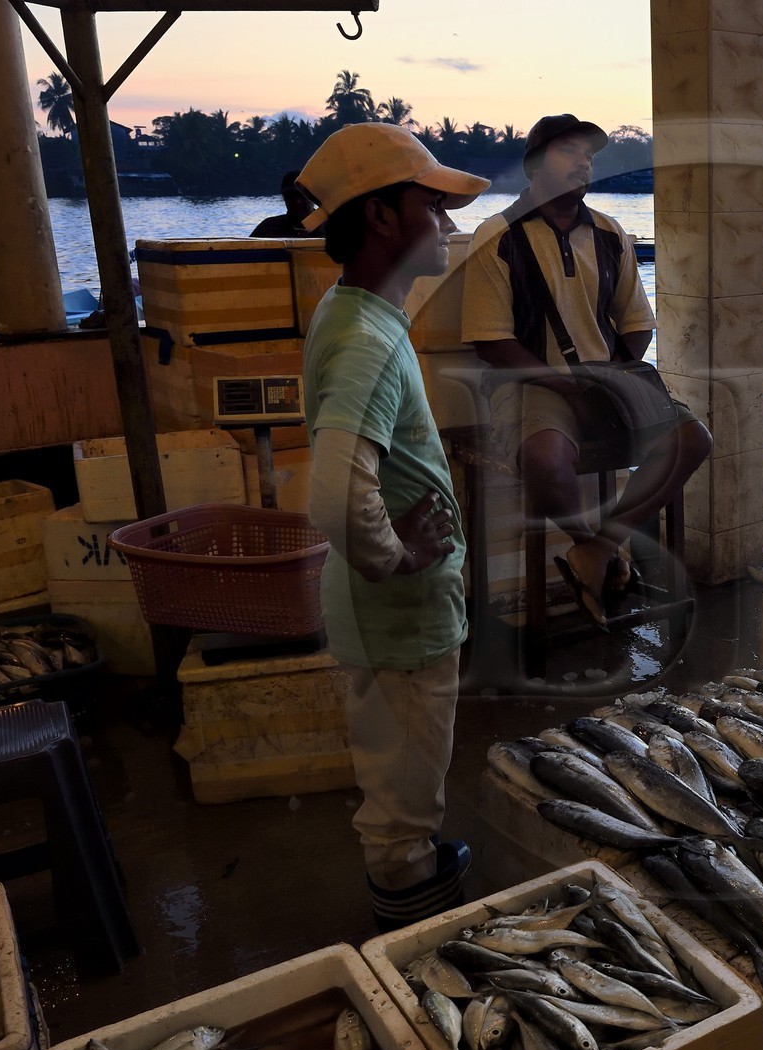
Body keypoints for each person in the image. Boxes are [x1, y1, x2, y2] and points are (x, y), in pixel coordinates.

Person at [293, 122, 490, 932]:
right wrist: (398, 556)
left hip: (385, 618)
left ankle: (418, 889)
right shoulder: (369, 339)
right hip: (397, 618)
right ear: (380, 218)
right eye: (430, 206)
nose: (447, 224)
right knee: (402, 812)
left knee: (400, 780)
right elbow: (338, 493)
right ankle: (417, 941)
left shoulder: (350, 313)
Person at [461, 114, 711, 628]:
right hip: (527, 381)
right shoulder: (497, 235)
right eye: (568, 152)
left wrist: (613, 376)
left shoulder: (608, 232)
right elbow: (491, 342)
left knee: (693, 439)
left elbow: (638, 323)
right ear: (534, 164)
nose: (582, 163)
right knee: (545, 457)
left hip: (604, 376)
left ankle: (599, 549)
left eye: (589, 155)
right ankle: (592, 549)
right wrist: (563, 384)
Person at [250, 169, 321, 238]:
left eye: (302, 195)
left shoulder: (329, 229)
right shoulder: (268, 228)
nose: (297, 201)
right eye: (291, 196)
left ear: (313, 195)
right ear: (284, 198)